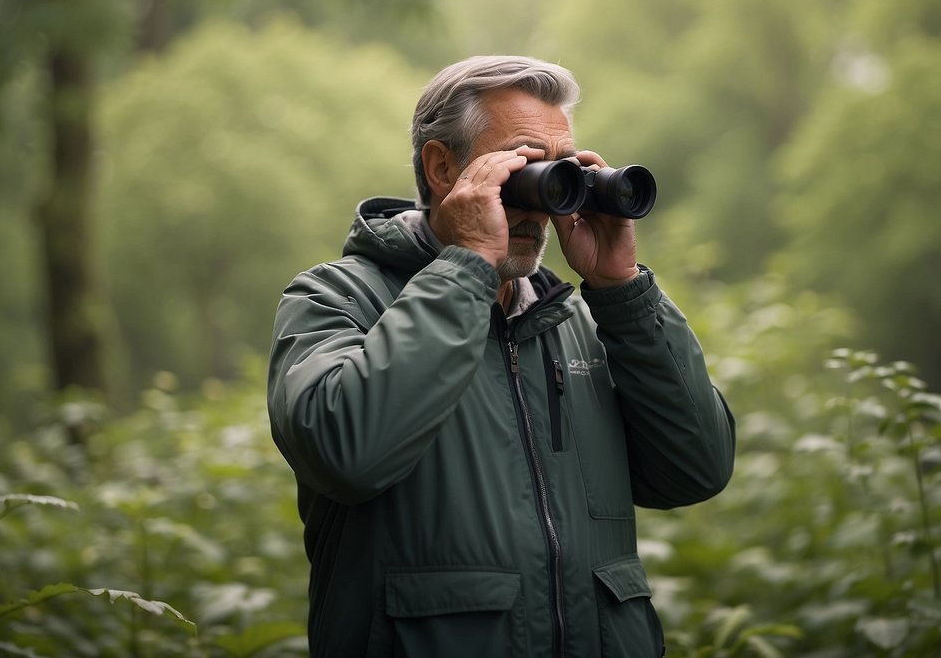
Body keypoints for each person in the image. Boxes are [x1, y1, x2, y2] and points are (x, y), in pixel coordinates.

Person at [267, 55, 736, 657]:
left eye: (561, 173)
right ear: (442, 167)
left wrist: (622, 292)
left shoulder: (577, 322)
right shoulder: (336, 298)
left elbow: (695, 469)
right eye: (522, 169)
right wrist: (466, 267)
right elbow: (347, 453)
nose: (542, 205)